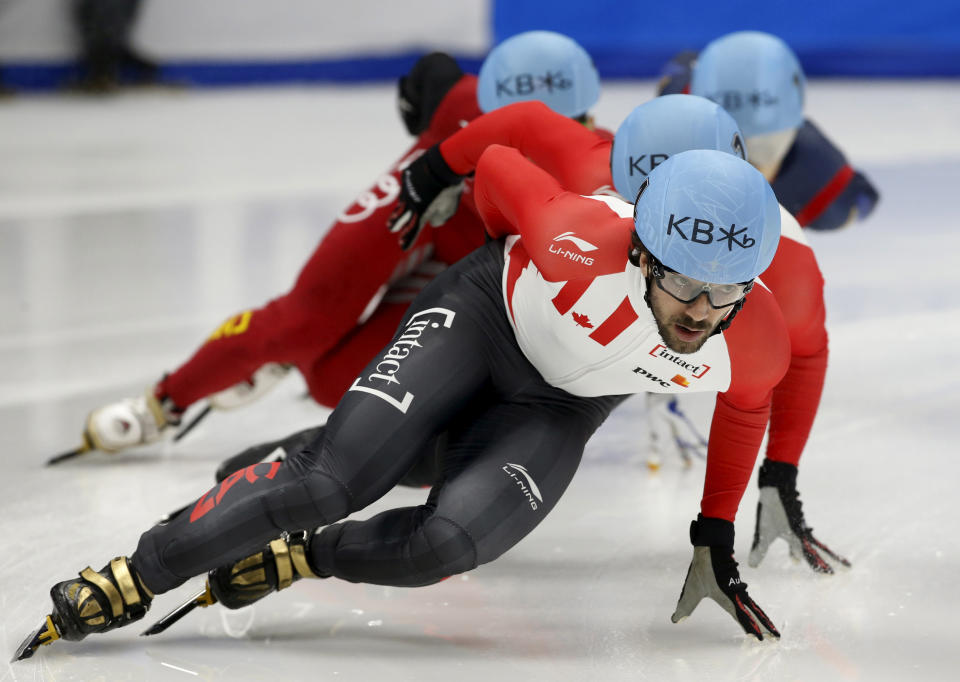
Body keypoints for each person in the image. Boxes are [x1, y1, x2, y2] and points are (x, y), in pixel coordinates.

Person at [15, 148, 787, 662]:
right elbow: (498, 164)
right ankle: (133, 574)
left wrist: (713, 537)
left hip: (558, 408)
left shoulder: (751, 338)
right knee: (332, 482)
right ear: (644, 253)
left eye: (727, 293)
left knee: (446, 544)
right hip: (485, 317)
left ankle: (297, 554)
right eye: (683, 283)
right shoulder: (569, 235)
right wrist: (489, 257)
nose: (701, 311)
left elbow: (746, 412)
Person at [67, 31, 604, 461]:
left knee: (331, 382)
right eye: (505, 125)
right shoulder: (471, 106)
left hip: (467, 248)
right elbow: (432, 79)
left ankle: (291, 365)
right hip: (418, 207)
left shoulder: (593, 169)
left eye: (564, 127)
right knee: (304, 320)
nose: (534, 138)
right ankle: (162, 403)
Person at [387, 94, 849, 574]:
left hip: (610, 349)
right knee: (424, 446)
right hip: (546, 308)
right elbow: (521, 128)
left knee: (438, 452)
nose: (678, 237)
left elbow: (803, 356)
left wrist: (779, 475)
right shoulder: (592, 170)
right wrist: (437, 170)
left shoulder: (785, 260)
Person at [658, 30, 879, 232]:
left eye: (758, 149)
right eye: (725, 144)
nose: (741, 163)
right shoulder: (676, 108)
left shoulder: (824, 184)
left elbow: (861, 198)